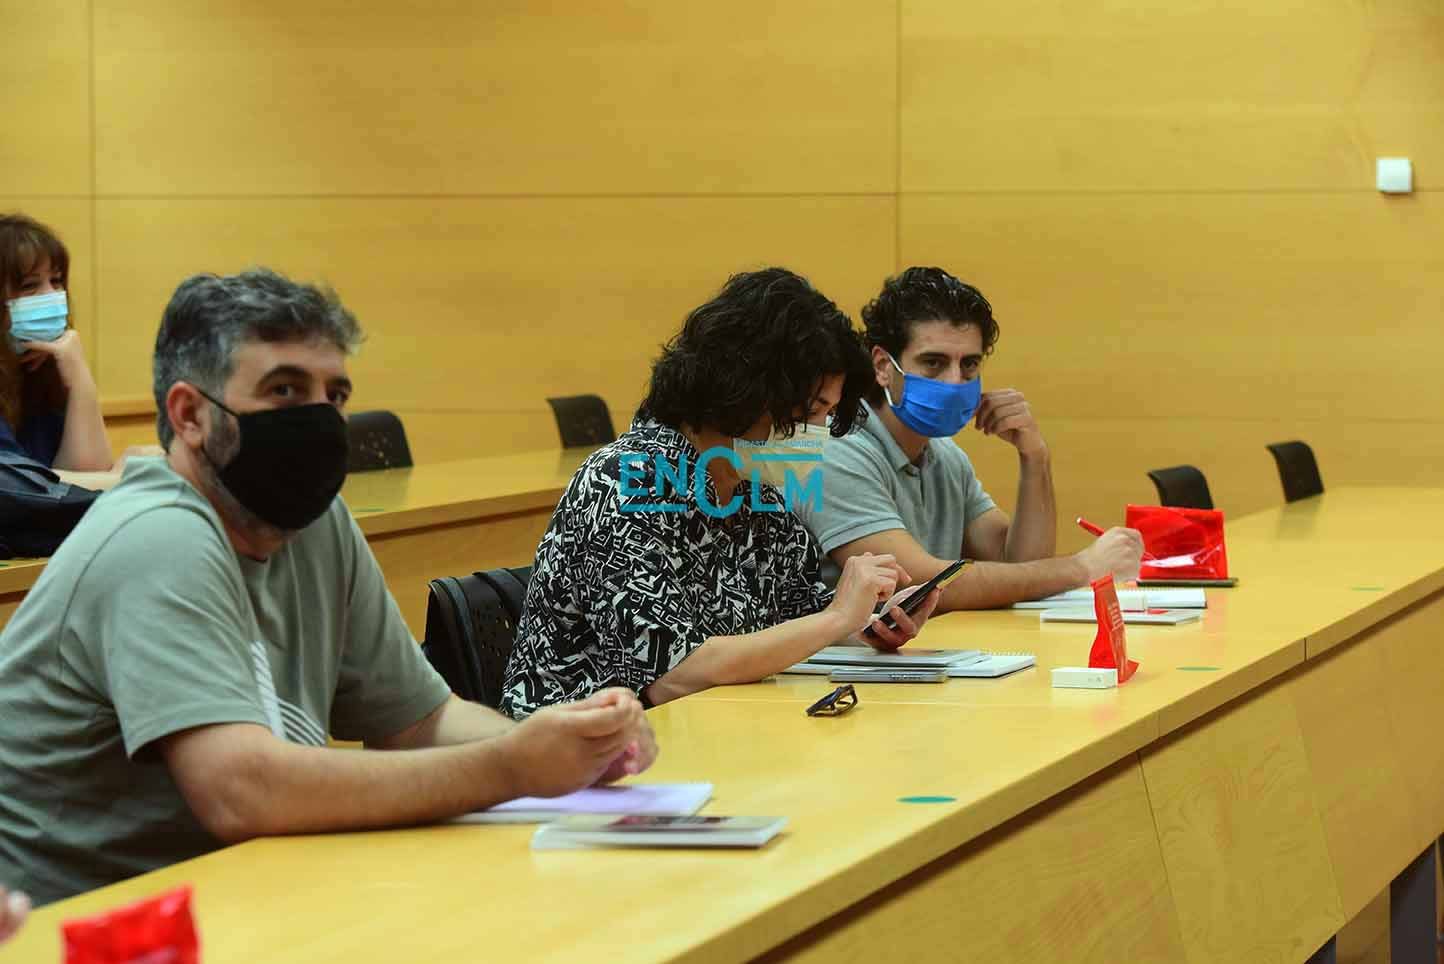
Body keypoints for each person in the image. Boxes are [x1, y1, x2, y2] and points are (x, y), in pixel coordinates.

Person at [0, 268, 656, 905]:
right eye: (285, 390)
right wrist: (510, 768)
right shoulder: (157, 535)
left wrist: (575, 747)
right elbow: (241, 793)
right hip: (68, 924)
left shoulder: (314, 522)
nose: (318, 419)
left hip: (234, 896)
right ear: (190, 414)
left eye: (333, 395)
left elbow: (419, 721)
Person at [501, 268, 941, 717]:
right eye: (809, 412)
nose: (817, 432)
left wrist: (866, 624)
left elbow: (796, 623)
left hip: (716, 724)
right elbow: (674, 677)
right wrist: (835, 619)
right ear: (743, 391)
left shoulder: (757, 489)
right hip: (588, 743)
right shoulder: (623, 482)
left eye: (826, 414)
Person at [793, 266, 1142, 611]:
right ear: (884, 366)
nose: (954, 381)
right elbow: (917, 584)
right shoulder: (835, 448)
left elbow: (1018, 565)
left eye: (969, 364)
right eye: (934, 362)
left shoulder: (944, 455)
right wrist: (1082, 568)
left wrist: (1035, 456)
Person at [0, 213, 137, 491]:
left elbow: (86, 473)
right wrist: (123, 479)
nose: (51, 295)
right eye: (30, 285)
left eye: (56, 280)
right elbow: (20, 490)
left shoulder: (40, 373)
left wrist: (79, 378)